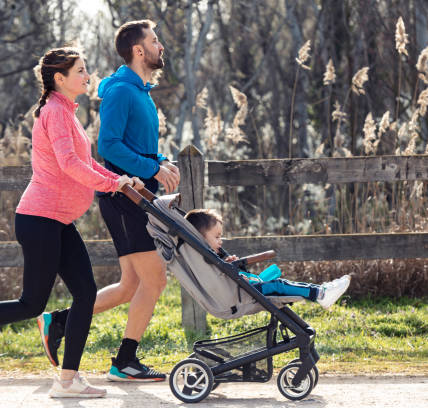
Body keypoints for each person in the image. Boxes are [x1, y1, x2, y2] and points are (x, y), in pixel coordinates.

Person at [0, 47, 140, 398]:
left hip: (56, 220)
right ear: (60, 78)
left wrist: (120, 179)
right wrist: (114, 184)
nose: (87, 76)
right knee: (31, 304)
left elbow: (88, 162)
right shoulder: (55, 112)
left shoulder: (66, 112)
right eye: (81, 71)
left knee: (85, 294)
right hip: (39, 219)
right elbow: (69, 165)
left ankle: (67, 381)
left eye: (86, 70)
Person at [36, 20, 179, 382]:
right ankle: (125, 360)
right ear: (138, 50)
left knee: (131, 284)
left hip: (136, 195)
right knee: (156, 279)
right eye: (154, 41)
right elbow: (110, 146)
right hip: (124, 197)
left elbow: (135, 144)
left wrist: (158, 161)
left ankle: (60, 322)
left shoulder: (140, 92)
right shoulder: (120, 92)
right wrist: (151, 168)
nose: (160, 46)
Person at [184, 209, 351, 309]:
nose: (221, 241)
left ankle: (321, 291)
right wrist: (229, 267)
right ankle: (320, 294)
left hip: (243, 289)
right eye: (217, 236)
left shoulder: (206, 256)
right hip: (242, 294)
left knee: (278, 281)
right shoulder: (205, 258)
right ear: (201, 238)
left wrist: (231, 265)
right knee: (279, 285)